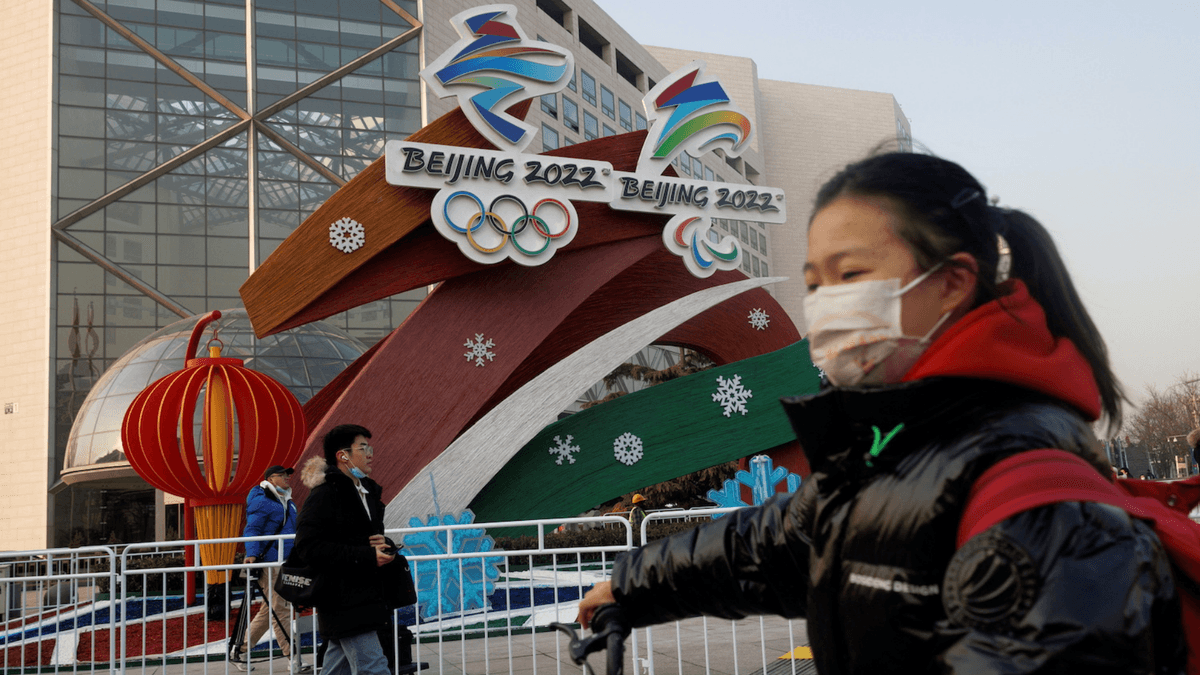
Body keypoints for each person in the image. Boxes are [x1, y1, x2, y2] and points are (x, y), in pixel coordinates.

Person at [577, 152, 1185, 673]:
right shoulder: (892, 445)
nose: (826, 306)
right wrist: (630, 584)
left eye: (851, 275)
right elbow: (774, 545)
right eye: (816, 283)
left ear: (952, 283)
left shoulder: (1036, 501)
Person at [294, 424, 414, 675]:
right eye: (363, 447)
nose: (370, 453)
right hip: (343, 599)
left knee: (337, 669)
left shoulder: (366, 493)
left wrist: (385, 547)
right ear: (343, 455)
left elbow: (366, 540)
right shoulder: (326, 494)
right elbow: (308, 546)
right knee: (374, 668)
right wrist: (367, 556)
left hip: (366, 597)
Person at [233, 464, 309, 673]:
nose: (287, 479)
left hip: (283, 561)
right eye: (282, 476)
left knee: (271, 610)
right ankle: (293, 657)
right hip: (269, 563)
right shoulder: (262, 501)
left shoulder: (287, 501)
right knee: (281, 608)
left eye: (287, 476)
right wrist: (251, 554)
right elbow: (252, 529)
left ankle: (239, 651)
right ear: (270, 478)